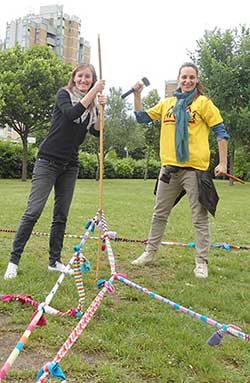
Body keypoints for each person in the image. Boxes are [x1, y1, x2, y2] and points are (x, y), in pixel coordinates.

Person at [4, 64, 106, 280]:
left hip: (70, 165)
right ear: (74, 77)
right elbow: (71, 114)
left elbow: (98, 132)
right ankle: (14, 261)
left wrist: (103, 109)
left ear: (92, 78)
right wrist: (94, 92)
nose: (83, 80)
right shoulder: (64, 94)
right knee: (33, 211)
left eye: (88, 77)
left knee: (61, 215)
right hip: (48, 160)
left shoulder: (93, 106)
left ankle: (54, 261)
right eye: (80, 76)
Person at [131, 62, 229, 278]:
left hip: (194, 170)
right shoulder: (168, 104)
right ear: (178, 79)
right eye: (184, 77)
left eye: (191, 77)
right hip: (169, 169)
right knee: (159, 213)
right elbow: (141, 118)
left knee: (199, 217)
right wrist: (137, 95)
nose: (187, 81)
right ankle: (150, 252)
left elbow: (221, 132)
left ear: (197, 80)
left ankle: (201, 262)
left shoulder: (203, 103)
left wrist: (223, 163)